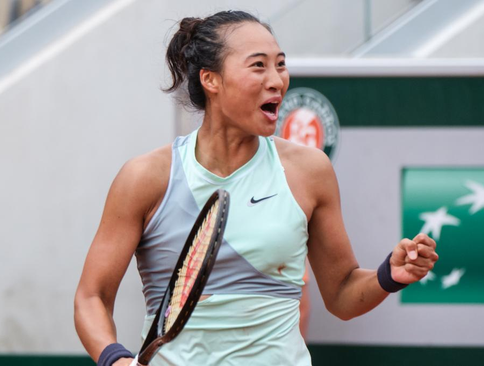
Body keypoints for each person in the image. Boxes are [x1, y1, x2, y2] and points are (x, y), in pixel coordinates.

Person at [74, 10, 439, 366]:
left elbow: (342, 294)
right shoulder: (146, 177)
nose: (277, 80)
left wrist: (389, 275)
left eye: (280, 64)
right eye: (258, 65)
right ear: (211, 80)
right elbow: (92, 297)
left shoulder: (309, 171)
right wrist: (116, 359)